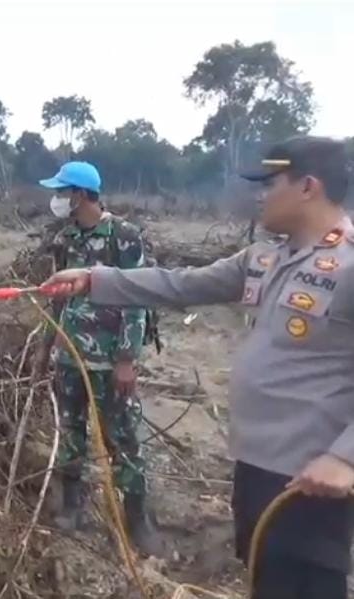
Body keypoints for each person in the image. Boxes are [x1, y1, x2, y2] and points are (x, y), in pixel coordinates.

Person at [43, 136, 354, 599]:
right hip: (256, 464)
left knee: (305, 583)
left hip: (313, 476)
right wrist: (94, 279)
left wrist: (345, 456)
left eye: (271, 182)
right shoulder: (264, 257)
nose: (260, 194)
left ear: (308, 187)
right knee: (264, 575)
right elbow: (180, 284)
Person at [32, 161, 162, 555]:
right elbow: (58, 297)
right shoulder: (66, 238)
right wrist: (46, 347)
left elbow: (138, 298)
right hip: (70, 356)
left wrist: (126, 358)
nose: (56, 200)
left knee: (122, 438)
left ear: (82, 194)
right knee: (70, 433)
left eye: (62, 192)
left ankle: (138, 521)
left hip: (110, 359)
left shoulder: (124, 236)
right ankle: (73, 507)